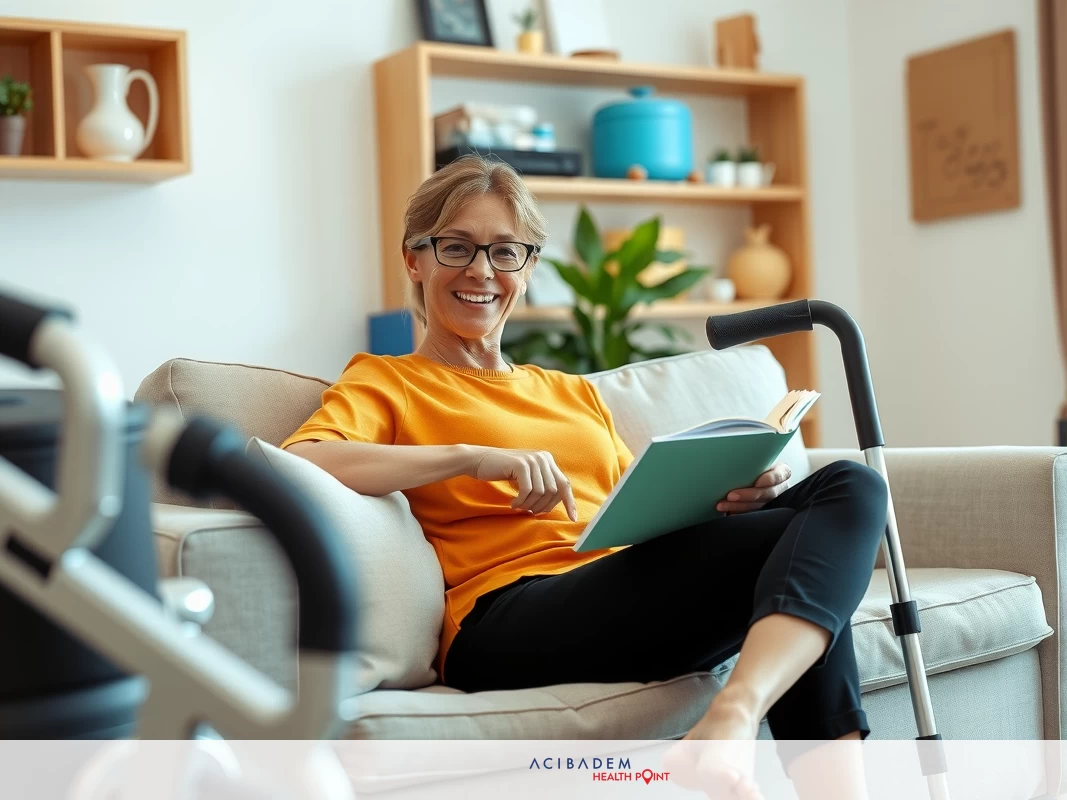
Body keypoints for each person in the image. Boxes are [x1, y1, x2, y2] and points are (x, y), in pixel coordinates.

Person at [282, 155, 886, 798]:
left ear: (528, 266)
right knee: (817, 562)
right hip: (506, 619)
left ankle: (737, 719)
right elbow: (304, 461)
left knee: (844, 491)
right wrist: (472, 456)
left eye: (504, 252)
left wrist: (727, 502)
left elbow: (632, 512)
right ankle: (733, 724)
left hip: (620, 595)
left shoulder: (569, 392)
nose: (481, 271)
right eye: (455, 247)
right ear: (415, 259)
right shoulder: (388, 379)